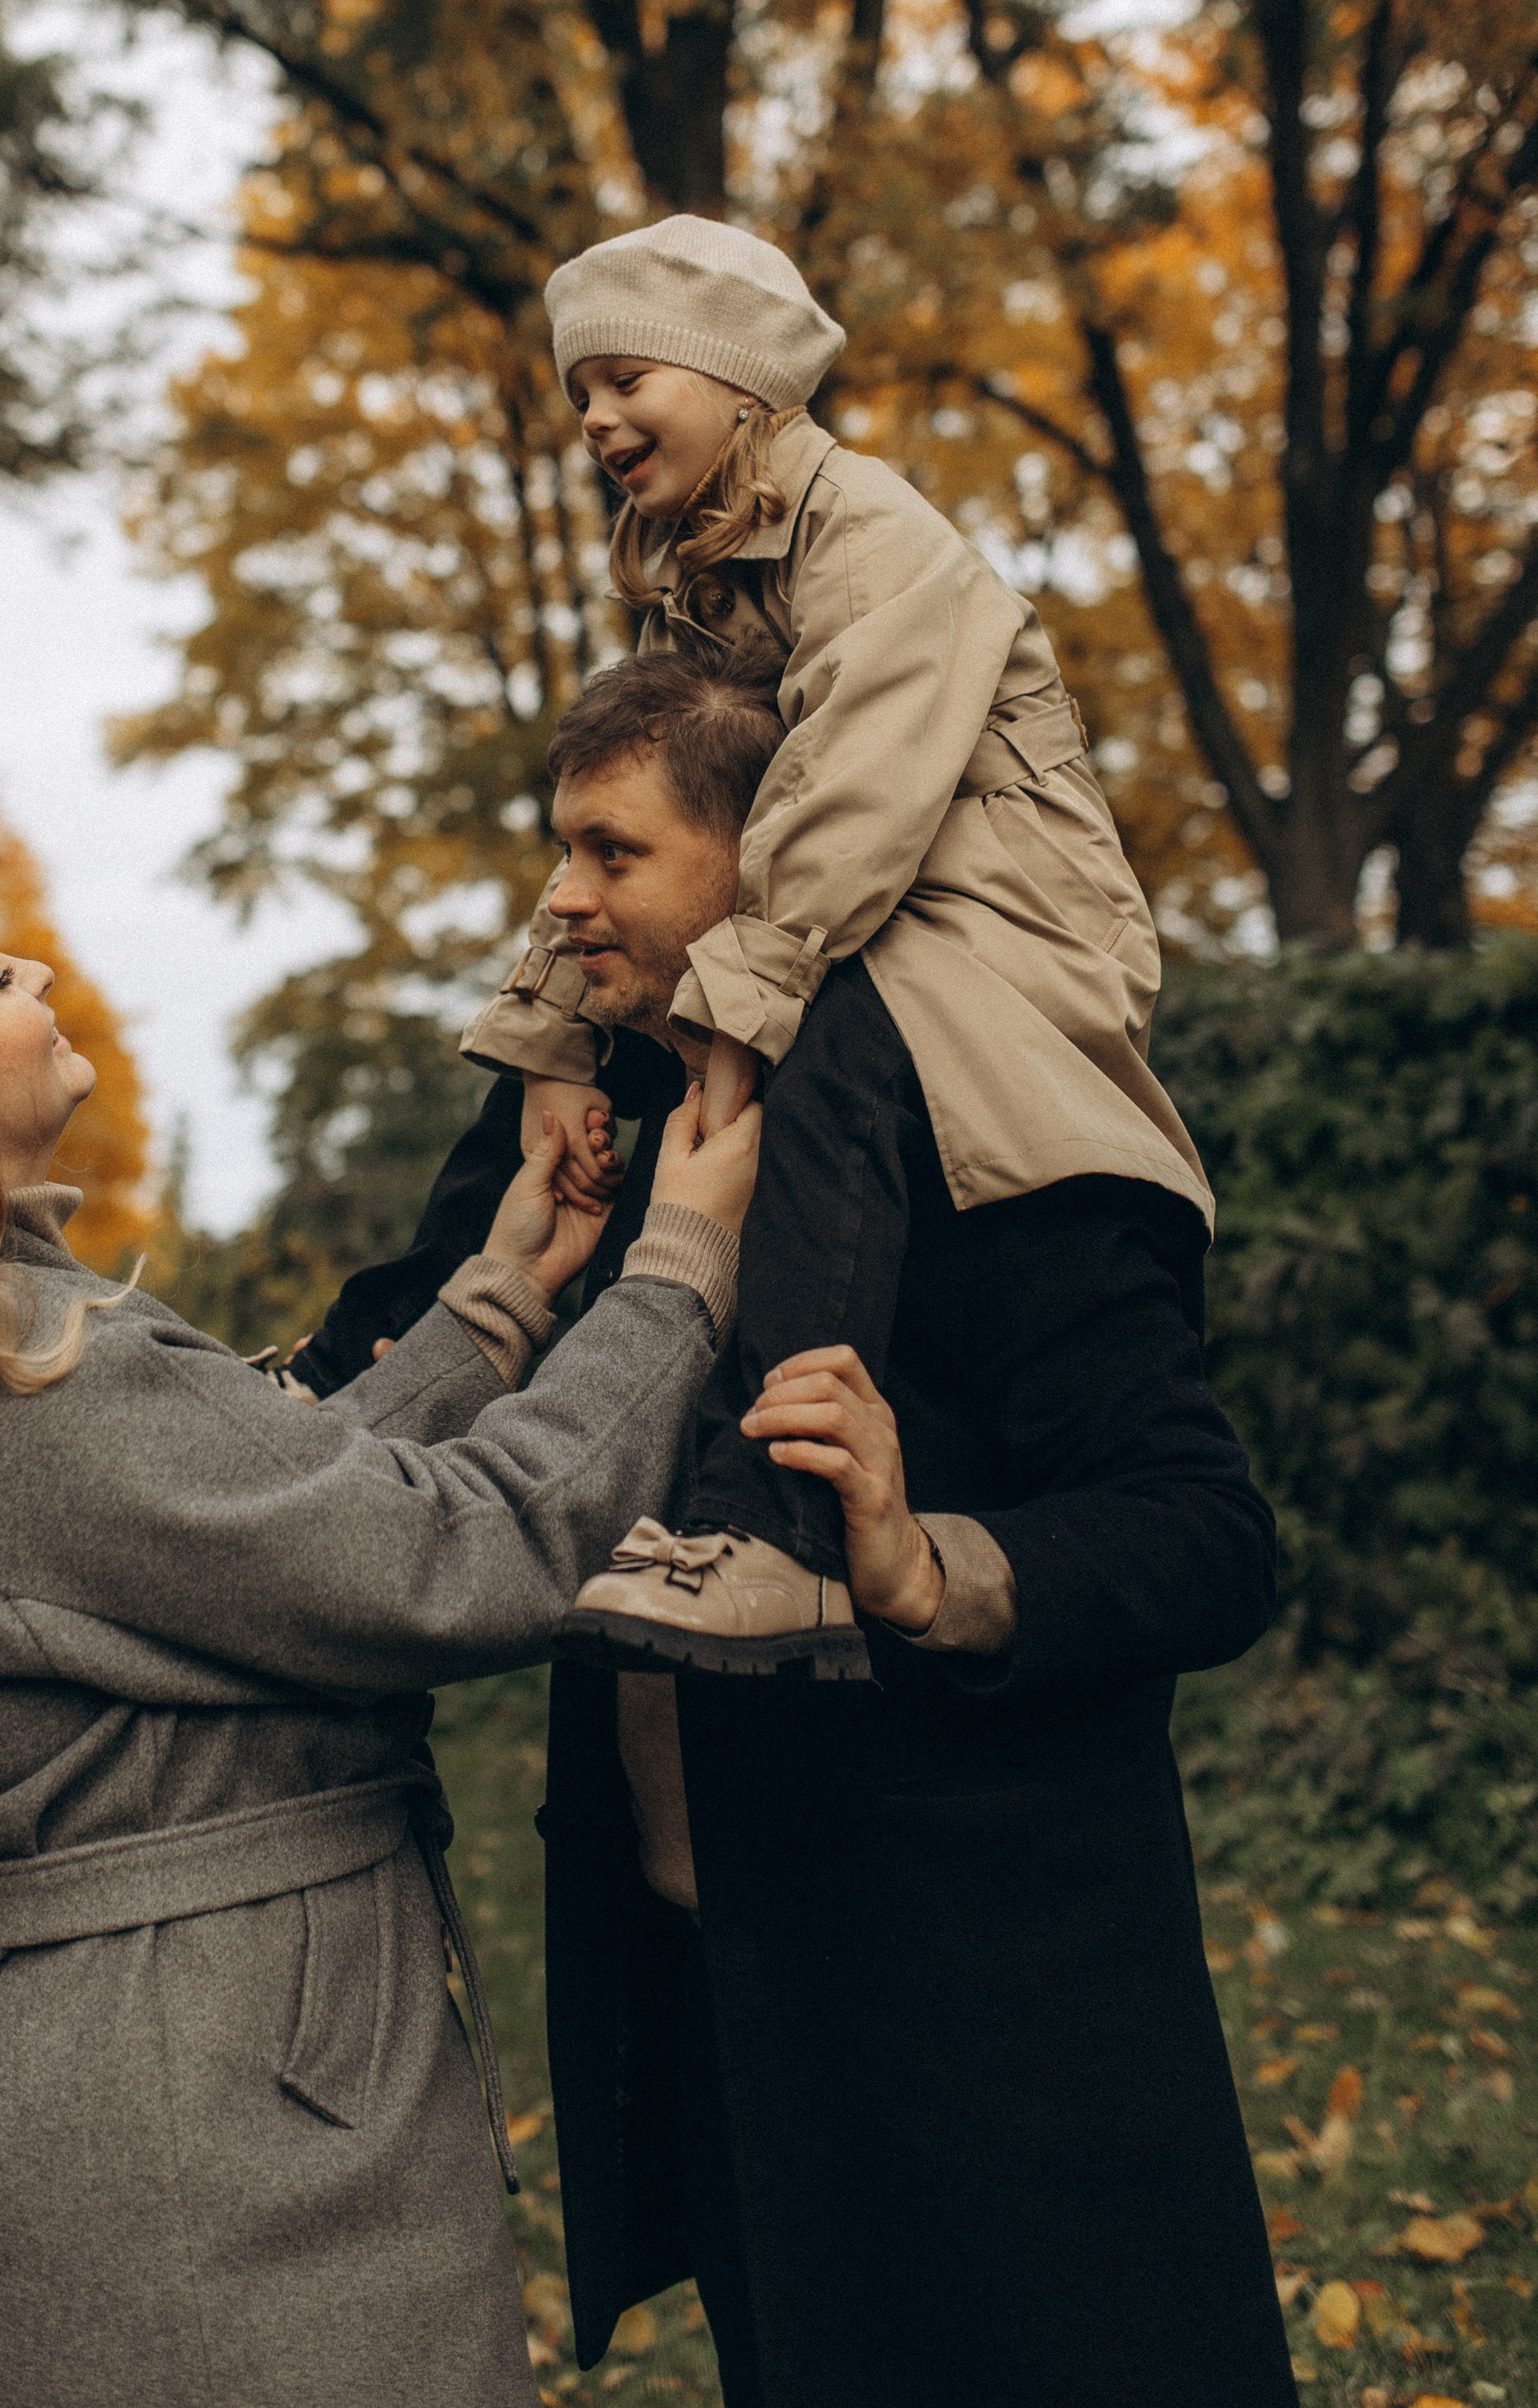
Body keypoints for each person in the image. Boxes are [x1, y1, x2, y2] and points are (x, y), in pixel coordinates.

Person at [0, 851, 760, 2408]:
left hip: (22, 2114)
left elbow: (256, 1523)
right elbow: (464, 1556)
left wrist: (502, 1295)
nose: (42, 983)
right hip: (182, 2162)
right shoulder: (16, 1385)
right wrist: (677, 1264)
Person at [308, 652, 1297, 2408]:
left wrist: (929, 1566)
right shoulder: (580, 1111)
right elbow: (379, 1348)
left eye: (610, 853)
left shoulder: (991, 1118)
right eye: (559, 849)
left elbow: (1200, 1530)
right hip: (721, 1979)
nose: (559, 896)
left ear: (772, 856)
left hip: (994, 2001)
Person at [456, 212, 1214, 1667]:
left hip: (992, 937)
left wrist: (727, 1037)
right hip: (869, 913)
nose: (598, 419)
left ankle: (778, 1527)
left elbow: (838, 814)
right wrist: (552, 1041)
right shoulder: (711, 580)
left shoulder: (875, 539)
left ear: (740, 378)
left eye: (625, 379)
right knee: (635, 989)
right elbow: (652, 830)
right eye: (579, 396)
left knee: (806, 1030)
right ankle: (395, 1374)